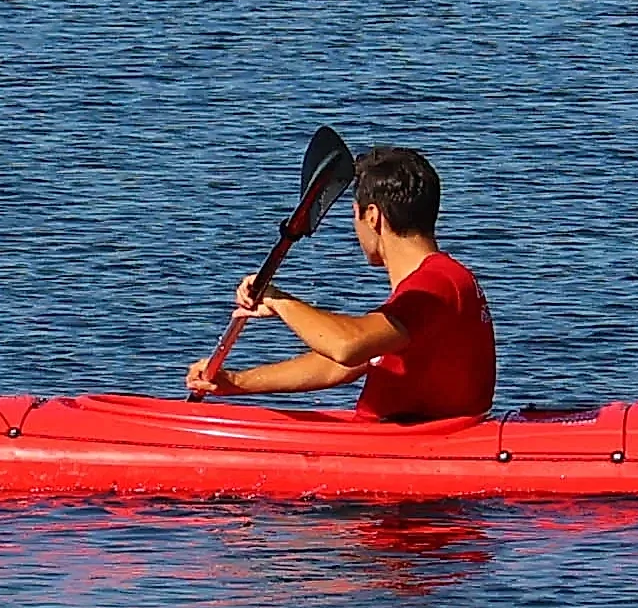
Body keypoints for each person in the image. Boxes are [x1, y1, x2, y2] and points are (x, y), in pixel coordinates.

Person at [184, 144, 497, 421]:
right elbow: (343, 363)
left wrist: (280, 301)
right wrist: (236, 383)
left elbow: (346, 346)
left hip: (413, 447)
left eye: (355, 216)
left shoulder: (434, 285)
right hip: (413, 438)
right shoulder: (444, 280)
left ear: (372, 216)